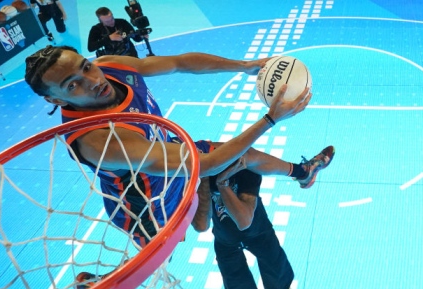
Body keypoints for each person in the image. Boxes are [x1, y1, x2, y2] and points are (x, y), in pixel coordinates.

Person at [24, 45, 333, 249]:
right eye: (72, 85)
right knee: (163, 262)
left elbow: (179, 62)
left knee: (245, 156)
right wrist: (270, 118)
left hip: (169, 151)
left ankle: (302, 173)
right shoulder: (99, 139)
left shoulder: (110, 67)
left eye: (85, 67)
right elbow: (206, 163)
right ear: (55, 99)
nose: (92, 79)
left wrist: (245, 66)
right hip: (147, 202)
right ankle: (105, 280)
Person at [191, 152, 332, 289]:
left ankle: (282, 288)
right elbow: (201, 224)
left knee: (275, 262)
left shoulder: (247, 170)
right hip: (225, 237)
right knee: (232, 275)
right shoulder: (198, 179)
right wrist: (202, 179)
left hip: (257, 230)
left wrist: (222, 185)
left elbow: (244, 221)